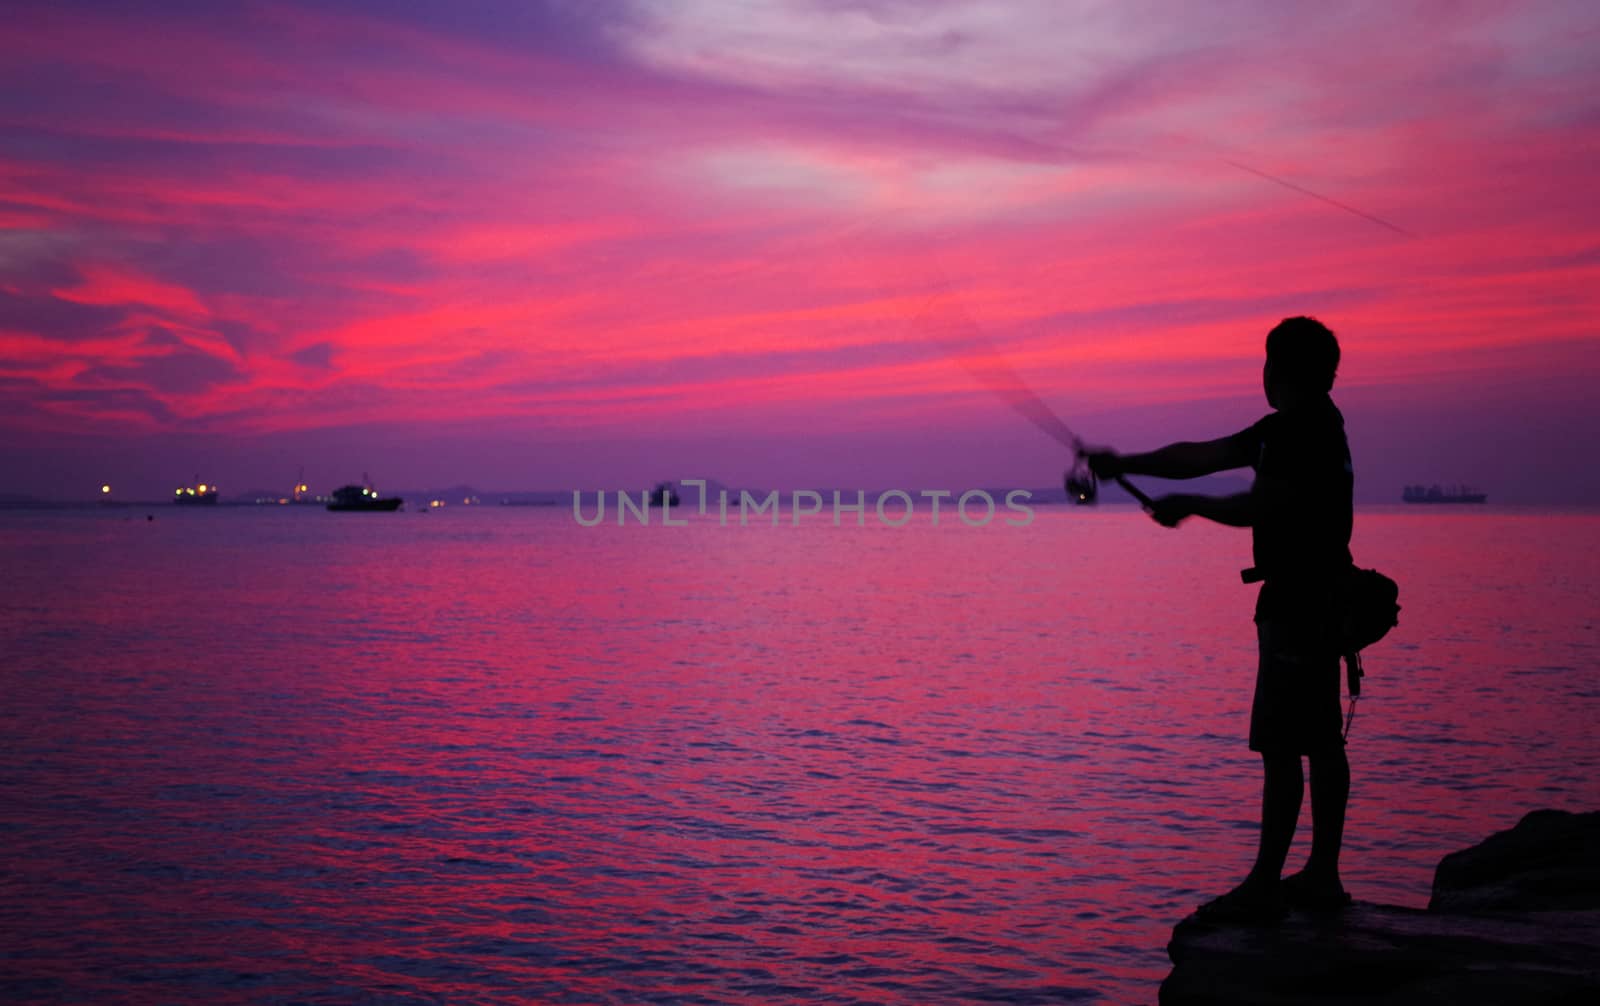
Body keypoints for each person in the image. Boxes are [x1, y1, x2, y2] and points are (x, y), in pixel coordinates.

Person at [1087, 316, 1354, 922]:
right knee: (1320, 740)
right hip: (1323, 598)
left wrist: (1189, 506)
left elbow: (1260, 503)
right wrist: (1125, 462)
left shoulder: (1297, 433)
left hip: (1298, 603)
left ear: (1277, 371)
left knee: (1286, 746)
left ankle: (1270, 882)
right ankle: (1321, 875)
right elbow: (1203, 455)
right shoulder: (1311, 426)